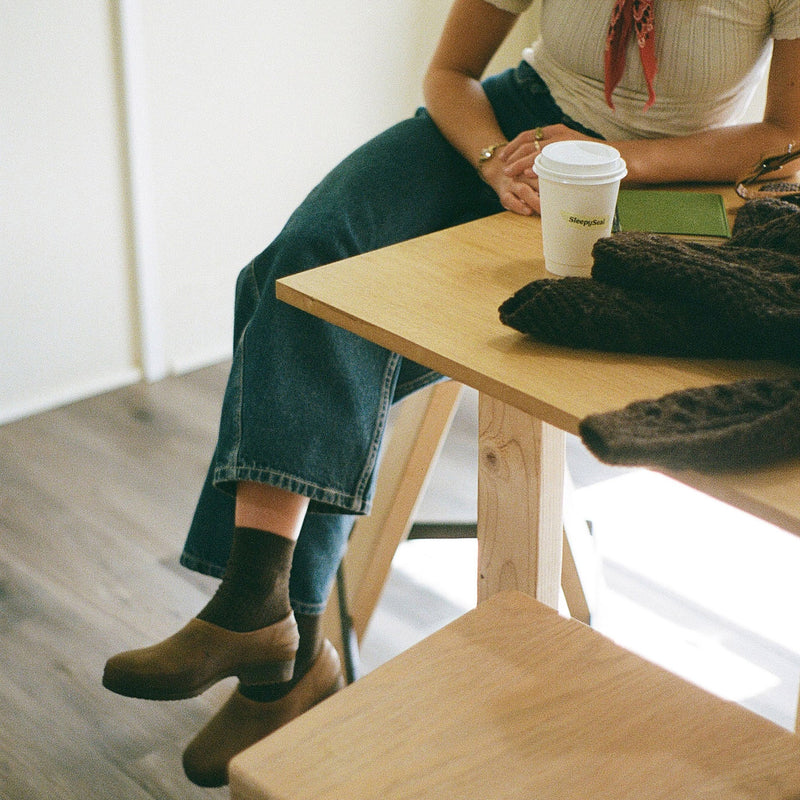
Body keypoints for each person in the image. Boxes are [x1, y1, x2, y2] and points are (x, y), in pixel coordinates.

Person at [102, 0, 800, 787]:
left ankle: (274, 645)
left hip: (669, 169)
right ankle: (264, 620)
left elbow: (784, 137)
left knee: (321, 326)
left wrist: (617, 157)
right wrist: (493, 155)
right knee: (296, 275)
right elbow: (449, 74)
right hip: (515, 123)